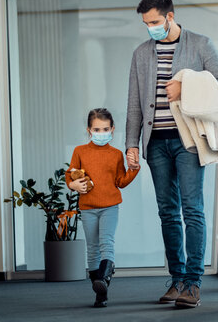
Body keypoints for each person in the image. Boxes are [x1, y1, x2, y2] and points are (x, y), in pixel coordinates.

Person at [125, 0, 218, 308]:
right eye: (146, 23)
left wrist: (187, 86)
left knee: (192, 209)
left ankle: (193, 283)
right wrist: (131, 143)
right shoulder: (141, 53)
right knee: (168, 213)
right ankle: (177, 279)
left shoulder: (200, 44)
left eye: (155, 21)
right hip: (155, 141)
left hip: (188, 141)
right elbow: (134, 104)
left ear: (170, 17)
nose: (151, 28)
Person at [66, 108, 139, 307]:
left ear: (112, 129)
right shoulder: (79, 151)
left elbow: (121, 181)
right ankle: (100, 293)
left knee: (106, 242)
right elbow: (70, 173)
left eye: (105, 129)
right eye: (97, 129)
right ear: (89, 130)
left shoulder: (116, 155)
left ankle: (104, 280)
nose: (101, 133)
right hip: (88, 207)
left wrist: (134, 169)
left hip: (110, 206)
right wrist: (72, 185)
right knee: (92, 248)